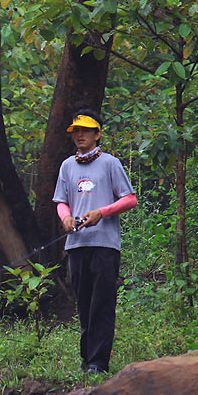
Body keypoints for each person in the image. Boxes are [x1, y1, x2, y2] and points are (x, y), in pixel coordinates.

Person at [52, 108, 137, 374]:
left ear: (97, 134)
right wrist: (66, 218)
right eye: (76, 131)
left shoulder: (111, 163)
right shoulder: (67, 165)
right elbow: (61, 201)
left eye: (85, 131)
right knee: (84, 301)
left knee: (102, 301)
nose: (80, 136)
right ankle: (86, 359)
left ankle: (99, 362)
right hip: (77, 245)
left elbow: (129, 199)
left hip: (105, 244)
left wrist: (103, 212)